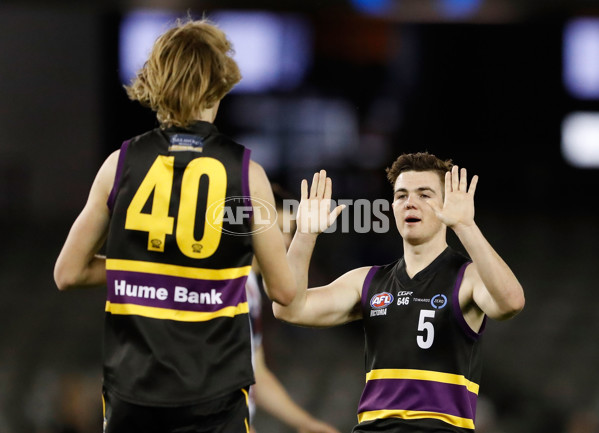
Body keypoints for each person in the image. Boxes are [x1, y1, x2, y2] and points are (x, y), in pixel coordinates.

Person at [54, 17, 296, 433]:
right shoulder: (246, 173)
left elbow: (67, 273)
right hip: (215, 394)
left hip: (132, 391)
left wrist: (145, 272)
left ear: (154, 81)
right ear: (221, 84)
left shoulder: (118, 165)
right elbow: (284, 291)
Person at [273, 152, 525, 432]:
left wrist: (466, 226)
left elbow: (511, 302)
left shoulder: (467, 278)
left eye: (424, 194)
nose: (410, 203)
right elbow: (288, 307)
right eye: (401, 195)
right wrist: (305, 234)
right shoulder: (366, 281)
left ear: (447, 205)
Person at [246, 185, 340, 433]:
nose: (287, 241)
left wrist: (304, 423)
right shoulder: (225, 286)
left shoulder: (250, 286)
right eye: (278, 230)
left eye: (290, 231)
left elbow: (256, 372)